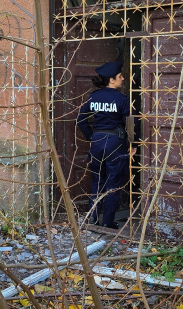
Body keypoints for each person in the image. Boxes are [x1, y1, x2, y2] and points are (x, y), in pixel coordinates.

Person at [76, 61, 138, 229]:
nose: (123, 78)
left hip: (97, 143)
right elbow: (130, 124)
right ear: (112, 80)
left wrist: (92, 137)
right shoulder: (121, 99)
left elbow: (81, 120)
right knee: (113, 184)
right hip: (115, 145)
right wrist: (133, 144)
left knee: (97, 181)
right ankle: (108, 222)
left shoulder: (93, 97)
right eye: (120, 76)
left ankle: (92, 219)